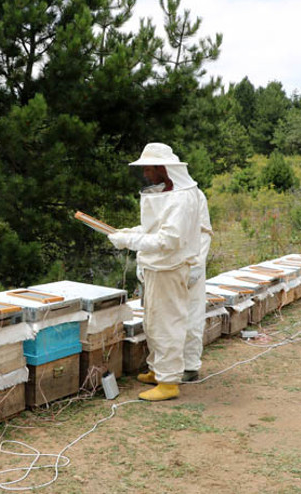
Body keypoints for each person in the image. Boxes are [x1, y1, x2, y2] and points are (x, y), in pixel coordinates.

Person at [108, 143, 210, 401]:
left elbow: (168, 240)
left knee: (168, 324)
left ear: (163, 168)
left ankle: (169, 382)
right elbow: (154, 230)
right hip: (158, 267)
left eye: (149, 168)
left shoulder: (183, 198)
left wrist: (129, 242)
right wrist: (132, 233)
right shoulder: (169, 194)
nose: (145, 175)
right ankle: (158, 370)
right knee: (154, 322)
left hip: (170, 268)